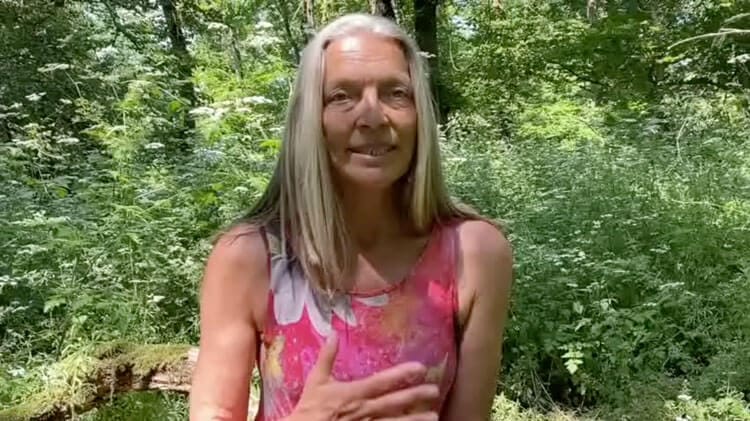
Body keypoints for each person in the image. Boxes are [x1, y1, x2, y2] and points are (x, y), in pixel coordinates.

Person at [189, 13, 513, 421]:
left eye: (396, 93)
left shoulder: (474, 254)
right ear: (311, 119)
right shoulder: (249, 258)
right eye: (342, 96)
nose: (373, 117)